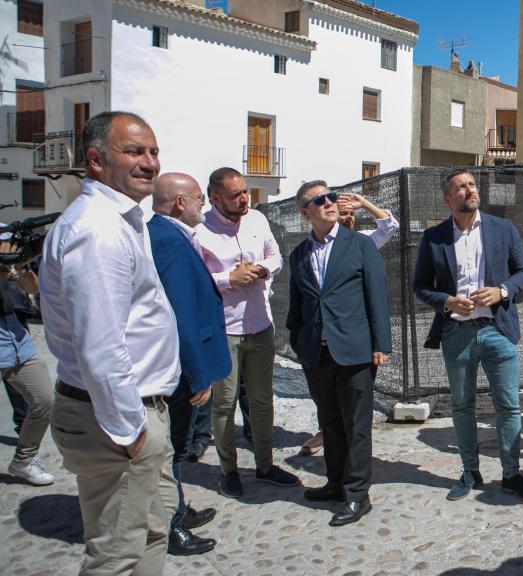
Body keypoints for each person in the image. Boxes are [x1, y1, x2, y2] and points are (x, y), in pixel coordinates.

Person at [39, 111, 180, 574]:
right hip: (119, 420)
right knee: (116, 557)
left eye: (153, 151)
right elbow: (100, 346)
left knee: (151, 533)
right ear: (96, 160)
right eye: (135, 151)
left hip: (135, 413)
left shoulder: (120, 219)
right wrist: (132, 433)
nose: (149, 162)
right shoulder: (98, 230)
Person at [413, 169, 523, 502]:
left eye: (471, 184)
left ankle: (512, 475)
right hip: (456, 333)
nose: (469, 190)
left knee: (509, 406)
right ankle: (470, 471)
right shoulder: (434, 237)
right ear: (447, 198)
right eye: (461, 187)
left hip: (498, 330)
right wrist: (446, 301)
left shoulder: (503, 228)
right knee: (462, 405)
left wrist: (501, 292)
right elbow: (421, 286)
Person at [286, 181, 391, 526]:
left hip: (355, 351)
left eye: (331, 196)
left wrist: (381, 344)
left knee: (356, 425)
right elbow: (298, 305)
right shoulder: (299, 254)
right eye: (320, 200)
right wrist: (299, 343)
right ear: (305, 212)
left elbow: (377, 295)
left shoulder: (359, 245)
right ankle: (335, 483)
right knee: (330, 423)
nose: (330, 202)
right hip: (316, 354)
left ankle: (358, 495)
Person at [197, 167, 300, 498]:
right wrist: (229, 279)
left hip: (260, 325)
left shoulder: (257, 220)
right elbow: (194, 281)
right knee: (224, 404)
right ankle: (227, 470)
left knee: (261, 399)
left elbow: (276, 257)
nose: (243, 199)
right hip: (225, 328)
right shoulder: (199, 231)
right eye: (235, 195)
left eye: (245, 192)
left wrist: (262, 269)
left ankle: (265, 465)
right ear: (215, 198)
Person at [149, 172, 232, 556]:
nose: (204, 204)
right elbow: (179, 312)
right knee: (173, 450)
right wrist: (197, 374)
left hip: (184, 364)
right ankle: (169, 524)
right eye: (200, 198)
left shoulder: (169, 236)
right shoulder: (167, 241)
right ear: (181, 203)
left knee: (177, 448)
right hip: (181, 368)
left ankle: (176, 508)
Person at [298, 191, 399, 457]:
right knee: (330, 413)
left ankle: (355, 487)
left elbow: (390, 227)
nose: (347, 218)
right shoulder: (304, 252)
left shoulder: (363, 243)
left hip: (353, 341)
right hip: (320, 346)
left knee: (355, 417)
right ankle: (334, 472)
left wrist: (363, 203)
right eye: (344, 215)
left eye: (349, 214)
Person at [0, 243, 54, 486]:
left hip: (19, 346)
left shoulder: (8, 267)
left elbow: (33, 288)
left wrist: (20, 266)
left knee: (44, 402)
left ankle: (24, 459)